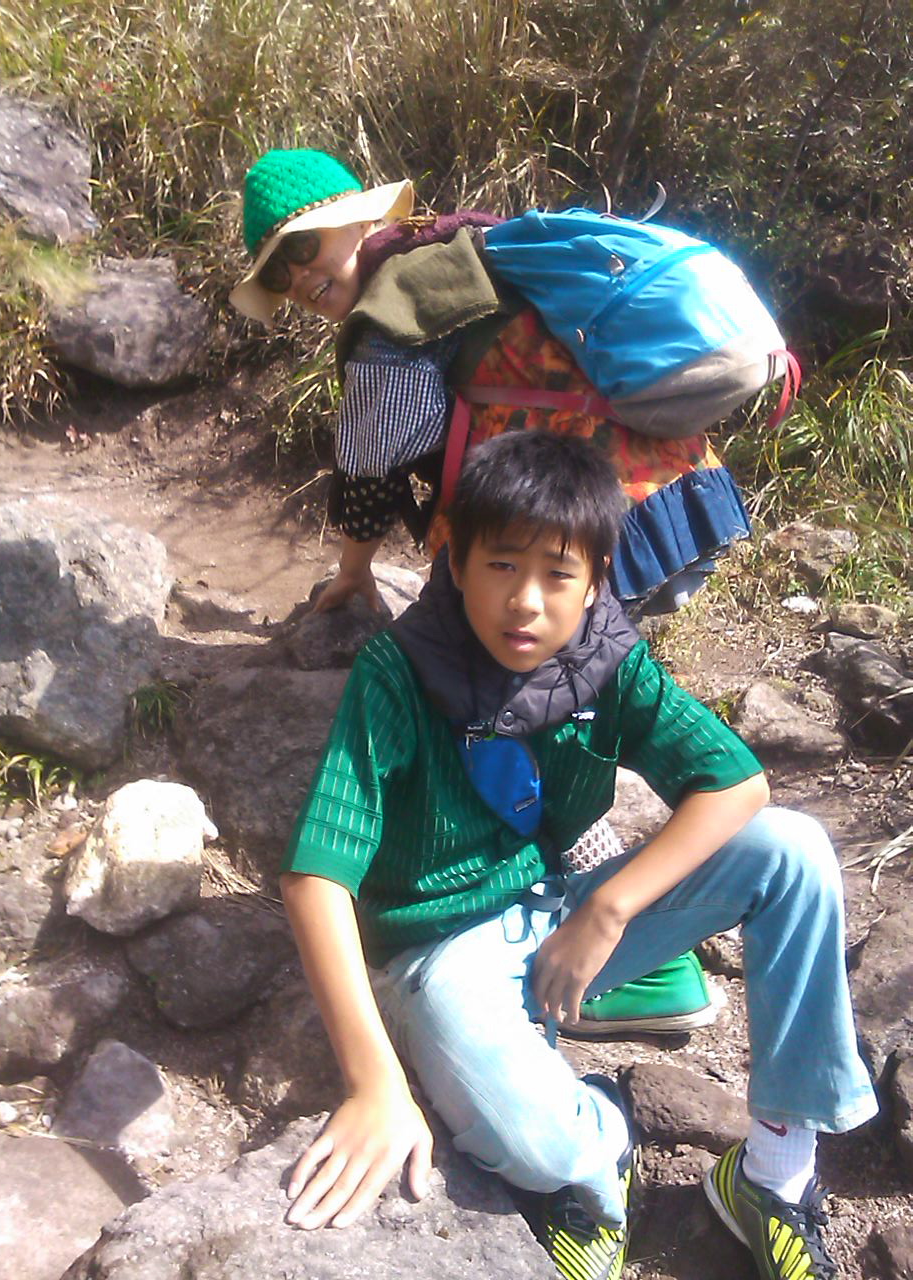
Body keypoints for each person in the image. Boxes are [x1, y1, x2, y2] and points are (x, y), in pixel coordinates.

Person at [279, 430, 877, 1280]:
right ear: (455, 561)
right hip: (434, 953)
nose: (526, 601)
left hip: (558, 913)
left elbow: (738, 785)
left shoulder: (606, 662)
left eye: (558, 574)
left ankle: (773, 1172)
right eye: (501, 565)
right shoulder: (397, 672)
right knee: (539, 1143)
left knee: (794, 848)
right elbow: (316, 880)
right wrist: (374, 1083)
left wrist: (608, 906)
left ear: (596, 580)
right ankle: (601, 1151)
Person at [231, 145, 751, 1037]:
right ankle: (631, 931)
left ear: (359, 218)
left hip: (586, 520)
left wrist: (355, 568)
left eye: (306, 247)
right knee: (564, 694)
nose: (303, 278)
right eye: (281, 273)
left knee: (524, 704)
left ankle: (632, 960)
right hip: (661, 494)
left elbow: (374, 456)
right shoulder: (459, 252)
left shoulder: (395, 310)